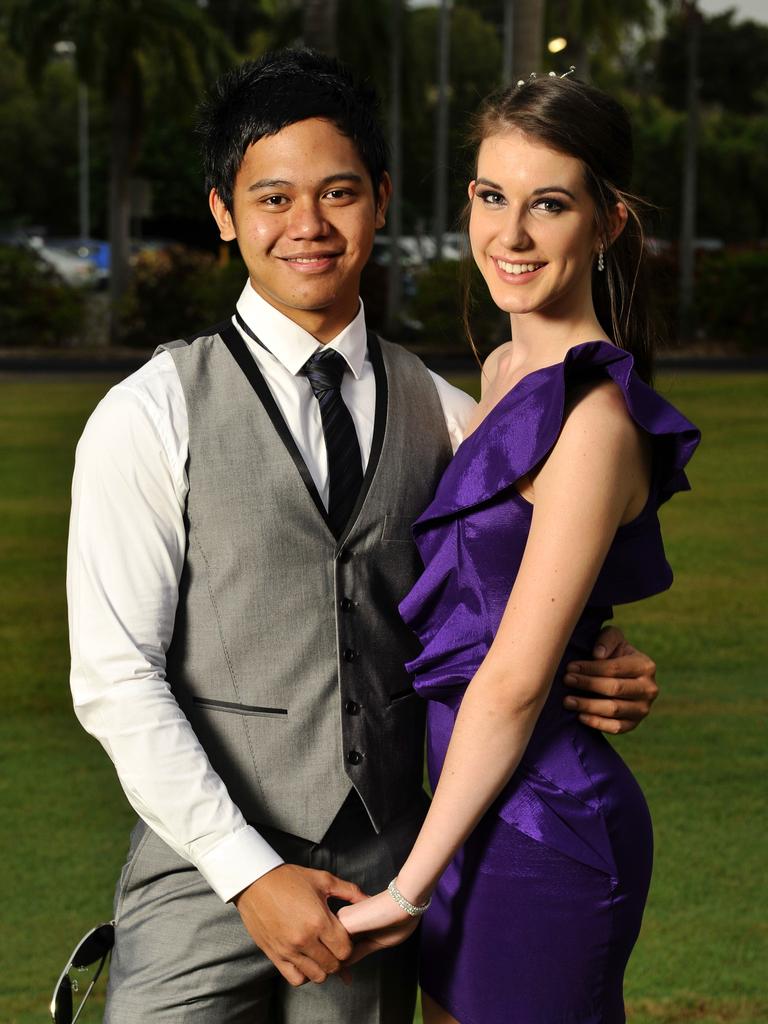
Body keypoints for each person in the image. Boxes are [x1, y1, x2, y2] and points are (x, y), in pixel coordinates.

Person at [67, 53, 662, 1024]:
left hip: (382, 883)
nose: (308, 225)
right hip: (203, 873)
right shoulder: (149, 414)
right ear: (223, 212)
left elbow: (512, 601)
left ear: (382, 200)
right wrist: (249, 872)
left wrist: (600, 656)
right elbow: (113, 678)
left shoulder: (453, 413)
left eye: (339, 192)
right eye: (272, 197)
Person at [337, 73, 700, 1024]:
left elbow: (512, 682)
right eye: (493, 197)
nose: (513, 236)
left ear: (608, 222)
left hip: (545, 829)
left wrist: (409, 886)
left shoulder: (594, 421)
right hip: (463, 814)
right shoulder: (498, 372)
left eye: (550, 204)